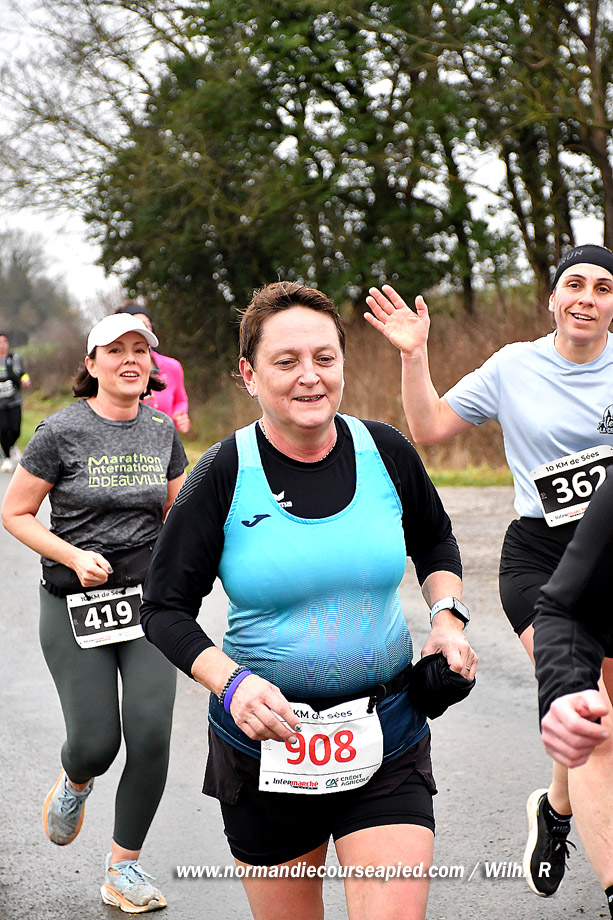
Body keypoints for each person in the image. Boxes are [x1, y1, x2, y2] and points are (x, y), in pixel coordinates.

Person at [140, 281, 478, 920]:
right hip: (267, 747)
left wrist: (447, 619)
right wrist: (232, 683)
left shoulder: (386, 451)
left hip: (387, 734)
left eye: (325, 358)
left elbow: (435, 541)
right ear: (249, 374)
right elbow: (163, 609)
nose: (310, 376)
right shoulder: (223, 473)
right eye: (286, 361)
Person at [364, 243, 613, 898]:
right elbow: (428, 426)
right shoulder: (514, 366)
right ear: (552, 299)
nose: (587, 298)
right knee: (594, 722)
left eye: (603, 288)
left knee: (598, 720)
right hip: (542, 565)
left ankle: (555, 810)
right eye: (575, 284)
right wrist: (414, 354)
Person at [1, 312, 188, 913]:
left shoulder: (162, 430)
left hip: (147, 602)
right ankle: (76, 779)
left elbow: (178, 514)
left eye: (140, 350)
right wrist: (74, 555)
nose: (130, 359)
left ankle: (123, 867)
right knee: (95, 743)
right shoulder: (59, 431)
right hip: (73, 601)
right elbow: (15, 513)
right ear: (91, 364)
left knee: (151, 733)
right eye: (115, 350)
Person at [532, 467, 613, 917]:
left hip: (600, 562)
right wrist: (563, 690)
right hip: (546, 554)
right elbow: (569, 613)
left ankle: (556, 806)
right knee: (596, 727)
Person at [116, 303, 191, 433]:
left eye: (146, 324)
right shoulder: (114, 367)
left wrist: (179, 416)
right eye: (136, 324)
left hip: (165, 440)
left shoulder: (172, 366)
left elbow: (180, 400)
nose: (143, 329)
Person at [0, 331, 31, 472]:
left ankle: (12, 446)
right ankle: (7, 458)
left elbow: (22, 373)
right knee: (3, 429)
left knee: (15, 429)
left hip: (14, 400)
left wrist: (25, 379)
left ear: (7, 344)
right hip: (0, 403)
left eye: (4, 342)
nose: (1, 345)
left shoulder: (15, 358)